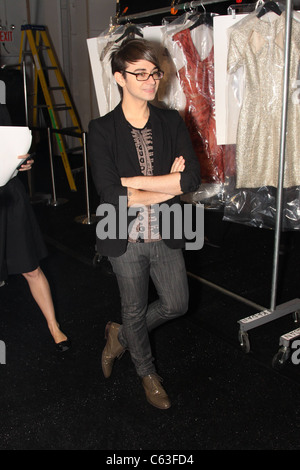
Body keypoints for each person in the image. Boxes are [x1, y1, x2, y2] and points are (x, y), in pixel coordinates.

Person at [88, 38, 201, 409]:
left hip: (166, 227)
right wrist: (164, 186)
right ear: (120, 77)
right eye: (140, 73)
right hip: (121, 233)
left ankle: (120, 336)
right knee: (134, 309)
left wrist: (135, 186)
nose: (151, 80)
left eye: (154, 73)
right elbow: (110, 192)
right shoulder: (101, 129)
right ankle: (147, 373)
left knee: (177, 303)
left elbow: (190, 181)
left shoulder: (170, 120)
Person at [0, 103, 70, 352]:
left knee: (31, 268)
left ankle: (54, 326)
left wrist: (23, 162)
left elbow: (11, 150)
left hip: (9, 195)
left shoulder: (2, 108)